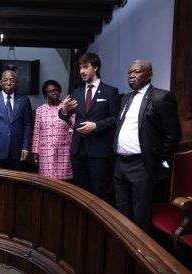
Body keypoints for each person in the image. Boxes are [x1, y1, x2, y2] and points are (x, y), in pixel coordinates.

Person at [113, 59, 182, 233]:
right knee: (121, 213)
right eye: (129, 72)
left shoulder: (161, 97)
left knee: (140, 217)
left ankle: (139, 257)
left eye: (137, 72)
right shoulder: (125, 98)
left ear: (149, 75)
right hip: (120, 164)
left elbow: (173, 135)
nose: (132, 76)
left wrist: (157, 160)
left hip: (142, 165)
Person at [59, 52, 120, 203]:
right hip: (78, 150)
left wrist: (96, 126)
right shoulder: (77, 92)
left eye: (85, 67)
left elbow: (116, 119)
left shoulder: (111, 92)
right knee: (80, 193)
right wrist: (65, 109)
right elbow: (64, 115)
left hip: (98, 150)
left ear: (96, 67)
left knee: (99, 192)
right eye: (80, 68)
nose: (82, 71)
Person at [0, 70, 32, 170]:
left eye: (12, 80)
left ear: (16, 83)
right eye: (5, 80)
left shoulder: (24, 100)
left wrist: (25, 147)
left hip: (17, 149)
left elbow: (27, 125)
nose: (8, 83)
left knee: (15, 181)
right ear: (0, 82)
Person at [32, 80, 74, 181]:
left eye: (55, 90)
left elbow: (73, 126)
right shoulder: (40, 110)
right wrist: (34, 152)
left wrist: (66, 117)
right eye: (49, 91)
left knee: (63, 182)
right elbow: (37, 131)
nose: (53, 93)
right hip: (45, 150)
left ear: (59, 91)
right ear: (46, 94)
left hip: (63, 149)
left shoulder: (67, 106)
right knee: (47, 181)